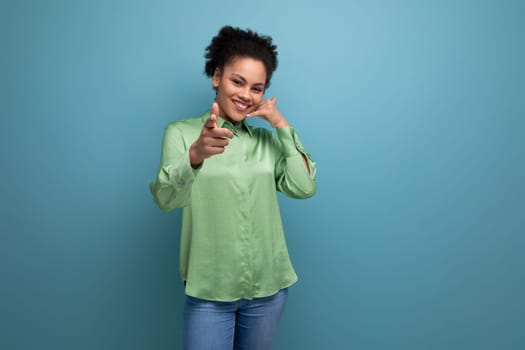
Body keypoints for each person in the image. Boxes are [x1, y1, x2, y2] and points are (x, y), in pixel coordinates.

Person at [149, 25, 317, 350]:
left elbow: (304, 185)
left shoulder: (268, 142)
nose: (245, 95)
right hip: (209, 292)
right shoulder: (181, 134)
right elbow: (166, 198)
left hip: (268, 291)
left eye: (257, 88)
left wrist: (280, 124)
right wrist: (195, 156)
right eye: (237, 81)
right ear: (216, 76)